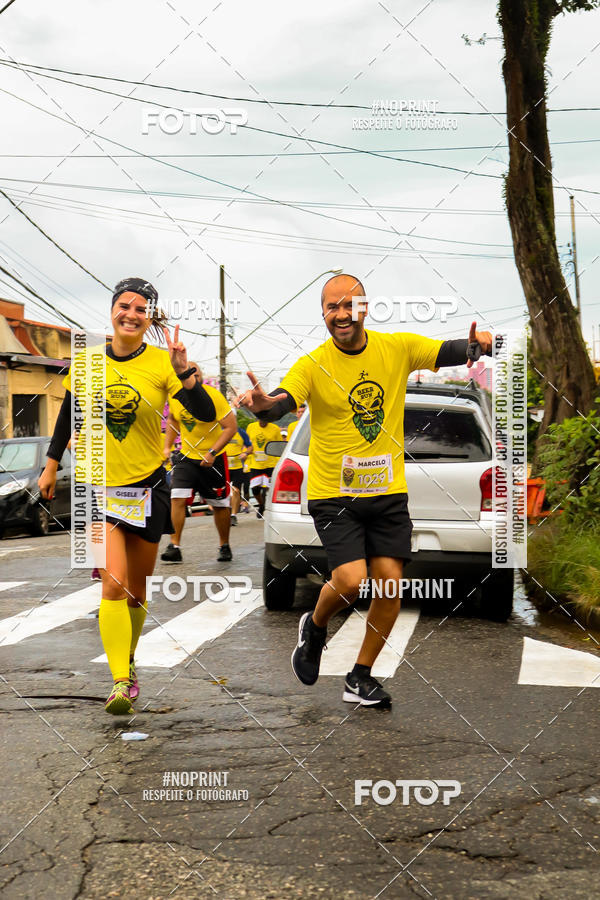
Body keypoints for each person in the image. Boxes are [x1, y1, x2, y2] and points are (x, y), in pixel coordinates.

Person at [237, 273, 493, 708]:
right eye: (332, 306)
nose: (341, 313)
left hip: (387, 491)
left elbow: (448, 351)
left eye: (348, 305)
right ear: (323, 313)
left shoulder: (395, 348)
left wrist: (479, 344)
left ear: (364, 308)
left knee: (391, 585)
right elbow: (283, 399)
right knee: (352, 581)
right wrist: (264, 408)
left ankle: (360, 676)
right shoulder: (313, 364)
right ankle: (315, 627)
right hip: (333, 494)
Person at [39, 277, 217, 715]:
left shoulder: (161, 364)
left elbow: (205, 414)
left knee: (136, 591)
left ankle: (128, 660)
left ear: (149, 317)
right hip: (99, 489)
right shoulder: (86, 363)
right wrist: (50, 463)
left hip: (147, 487)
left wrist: (185, 375)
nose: (131, 314)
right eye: (125, 306)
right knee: (114, 584)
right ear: (113, 310)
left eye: (141, 309)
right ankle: (119, 681)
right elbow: (69, 414)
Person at [161, 365, 237, 563]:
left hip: (214, 459)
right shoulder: (177, 396)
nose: (192, 379)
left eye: (196, 375)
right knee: (176, 496)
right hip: (187, 456)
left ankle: (224, 545)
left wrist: (212, 452)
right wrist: (167, 447)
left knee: (219, 504)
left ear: (200, 378)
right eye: (188, 376)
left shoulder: (214, 396)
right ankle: (174, 546)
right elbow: (173, 420)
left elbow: (231, 427)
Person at [245, 417, 283, 517]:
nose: (263, 420)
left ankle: (267, 504)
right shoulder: (251, 427)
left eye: (266, 417)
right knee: (255, 489)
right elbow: (247, 443)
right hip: (255, 463)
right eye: (261, 417)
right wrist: (245, 454)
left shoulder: (275, 428)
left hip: (270, 463)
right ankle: (261, 504)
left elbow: (279, 446)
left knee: (268, 487)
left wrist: (280, 462)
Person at [225, 425, 253, 525]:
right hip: (223, 466)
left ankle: (233, 515)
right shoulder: (218, 431)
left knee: (236, 490)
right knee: (223, 491)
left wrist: (245, 453)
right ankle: (225, 512)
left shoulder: (241, 432)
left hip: (237, 467)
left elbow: (250, 447)